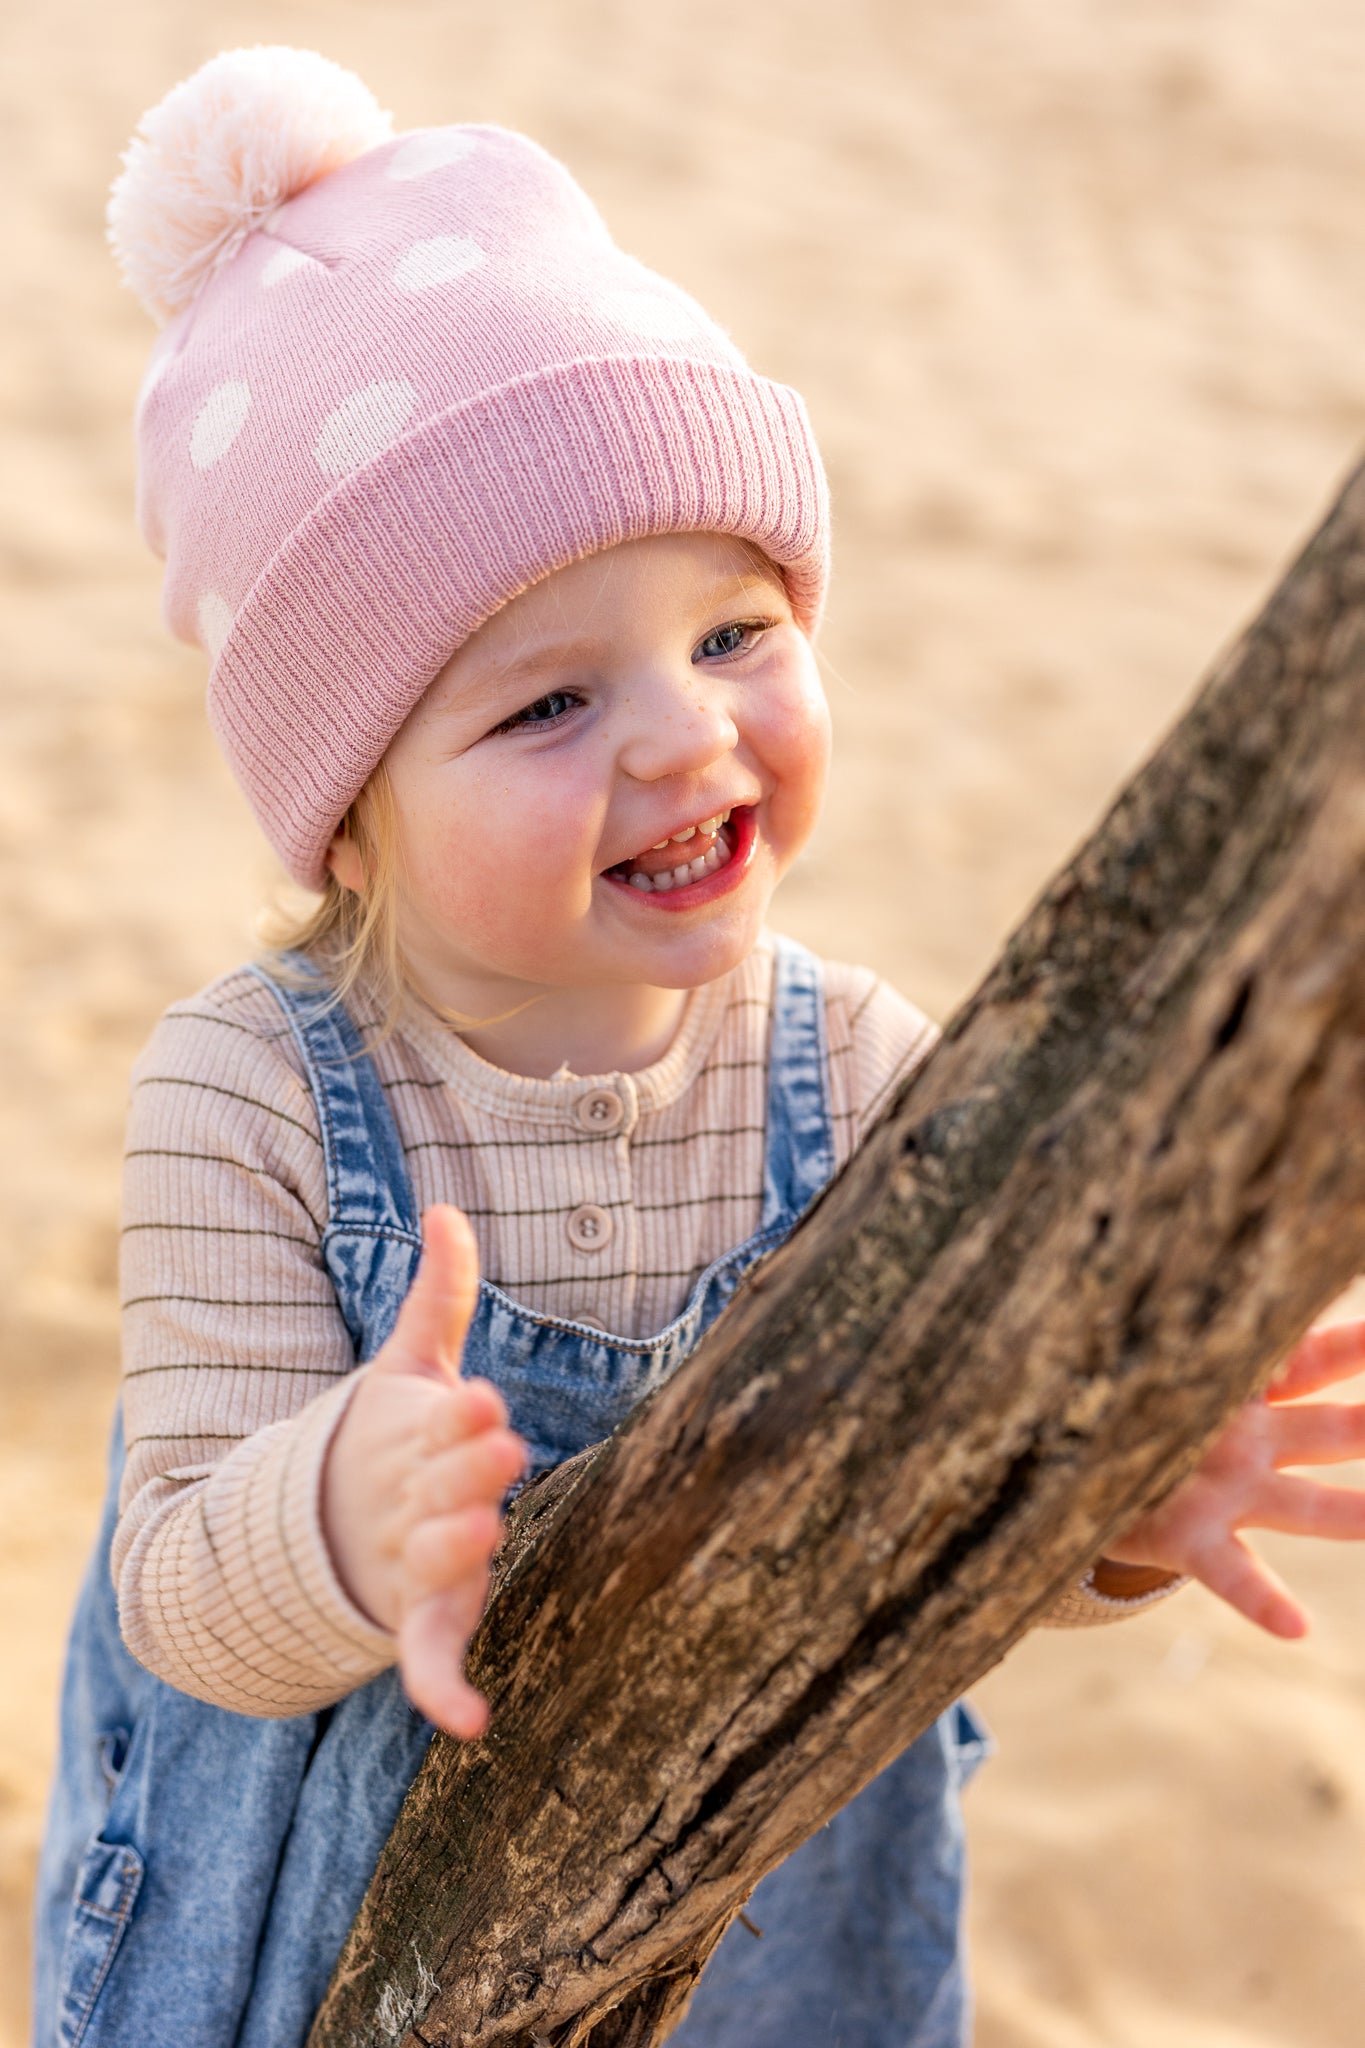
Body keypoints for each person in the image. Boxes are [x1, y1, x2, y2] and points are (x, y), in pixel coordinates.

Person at [32, 46, 1365, 2048]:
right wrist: (335, 1514)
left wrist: (1106, 1514)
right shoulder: (254, 1090)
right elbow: (178, 1592)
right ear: (353, 806)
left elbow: (932, 1519)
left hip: (766, 1949)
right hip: (327, 1950)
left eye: (734, 630)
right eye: (547, 703)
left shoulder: (858, 1067)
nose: (679, 732)